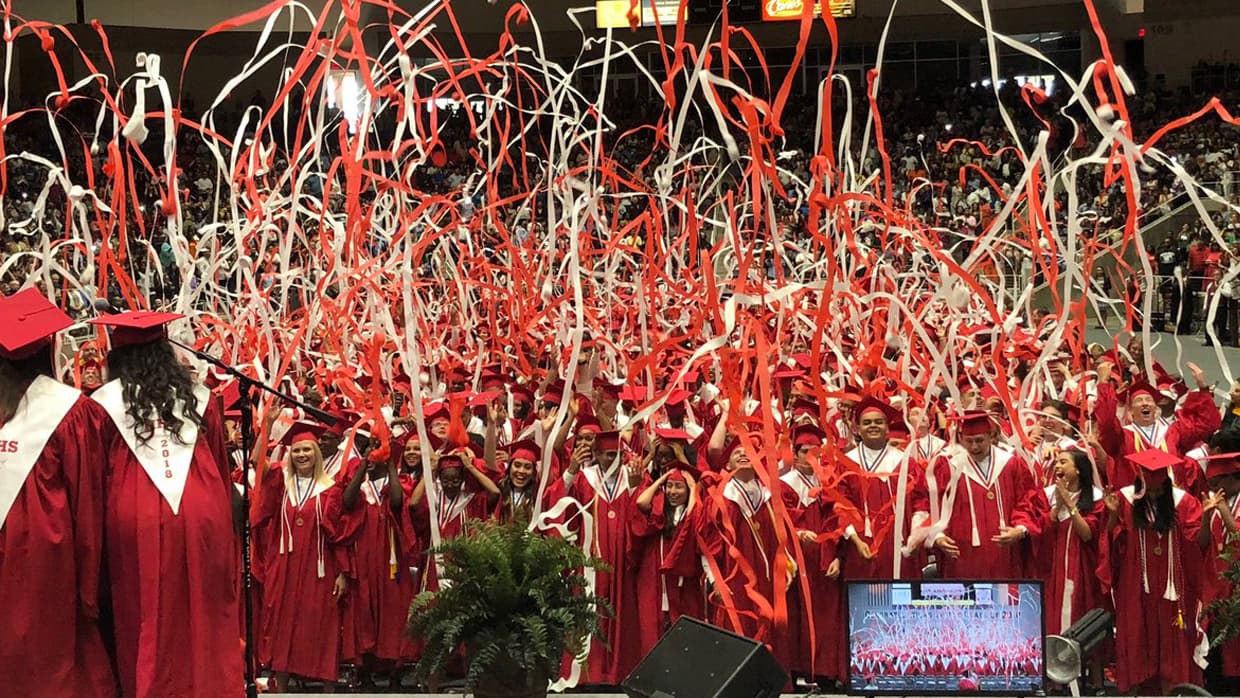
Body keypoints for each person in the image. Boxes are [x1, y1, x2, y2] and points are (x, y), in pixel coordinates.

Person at [89, 310, 244, 697]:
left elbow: (93, 475)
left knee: (146, 612)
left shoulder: (100, 405)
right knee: (204, 613)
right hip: (204, 507)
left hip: (135, 510)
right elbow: (224, 472)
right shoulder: (201, 397)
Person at [0, 290, 115, 698]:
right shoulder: (73, 412)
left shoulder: (69, 412)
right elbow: (87, 504)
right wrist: (90, 585)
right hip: (48, 563)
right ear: (49, 348)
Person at [254, 421, 352, 692]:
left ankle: (328, 689)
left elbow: (339, 534)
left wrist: (343, 573)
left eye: (307, 450)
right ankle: (280, 688)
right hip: (284, 567)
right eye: (297, 451)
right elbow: (257, 463)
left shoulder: (330, 489)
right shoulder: (281, 484)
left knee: (320, 624)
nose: (302, 455)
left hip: (319, 569)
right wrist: (268, 425)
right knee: (284, 624)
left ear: (317, 453)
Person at [543, 429, 643, 685]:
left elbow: (641, 516)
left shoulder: (630, 477)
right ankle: (586, 673)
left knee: (620, 614)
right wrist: (571, 471)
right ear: (596, 455)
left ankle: (618, 672)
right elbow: (559, 507)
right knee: (588, 611)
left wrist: (633, 488)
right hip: (590, 560)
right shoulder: (584, 479)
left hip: (622, 560)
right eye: (608, 454)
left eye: (617, 454)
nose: (613, 459)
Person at [1105, 449, 1208, 694]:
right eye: (1149, 489)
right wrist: (1111, 515)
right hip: (1137, 586)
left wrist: (1208, 516)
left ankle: (1177, 690)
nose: (1153, 494)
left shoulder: (1184, 502)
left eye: (1158, 490)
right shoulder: (1125, 500)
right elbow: (1111, 542)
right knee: (1139, 639)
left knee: (1174, 641)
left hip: (1173, 590)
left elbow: (1198, 543)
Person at [910, 410, 1037, 579]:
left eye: (979, 440)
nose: (974, 447)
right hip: (961, 553)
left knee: (1004, 599)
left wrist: (1020, 529)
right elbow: (928, 504)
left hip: (1005, 554)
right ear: (960, 438)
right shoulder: (947, 466)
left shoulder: (1011, 464)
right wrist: (937, 536)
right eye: (968, 441)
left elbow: (1028, 500)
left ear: (991, 437)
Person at [340, 431, 418, 685]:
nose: (373, 454)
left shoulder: (398, 482)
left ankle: (395, 669)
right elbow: (347, 502)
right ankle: (364, 669)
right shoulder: (359, 484)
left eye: (378, 451)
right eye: (369, 449)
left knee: (393, 611)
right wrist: (363, 465)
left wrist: (392, 464)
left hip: (390, 558)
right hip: (362, 556)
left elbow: (397, 501)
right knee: (363, 610)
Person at [1010, 447, 1105, 636]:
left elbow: (1087, 534)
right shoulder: (1046, 495)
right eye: (1057, 462)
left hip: (1079, 568)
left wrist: (1069, 505)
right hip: (1050, 567)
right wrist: (1057, 506)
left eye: (1063, 462)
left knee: (1075, 611)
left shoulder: (1094, 497)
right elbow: (1041, 531)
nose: (1057, 466)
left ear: (1078, 469)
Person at [779, 423, 846, 684]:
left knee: (827, 618)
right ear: (794, 455)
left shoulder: (830, 483)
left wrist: (839, 557)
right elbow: (779, 522)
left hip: (826, 561)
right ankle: (800, 670)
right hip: (797, 564)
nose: (811, 458)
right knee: (798, 617)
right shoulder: (785, 486)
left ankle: (826, 671)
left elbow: (840, 522)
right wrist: (796, 533)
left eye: (816, 453)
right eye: (805, 452)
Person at [1094, 361, 1219, 493]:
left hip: (1170, 499)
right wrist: (1103, 383)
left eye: (1149, 400)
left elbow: (1208, 425)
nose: (1145, 404)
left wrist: (1202, 387)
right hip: (1136, 501)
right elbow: (1106, 422)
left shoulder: (1174, 431)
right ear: (1130, 410)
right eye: (1139, 401)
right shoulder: (1123, 436)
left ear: (1155, 408)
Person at [628, 462, 705, 658]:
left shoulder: (692, 514)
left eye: (679, 486)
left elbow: (694, 514)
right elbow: (640, 502)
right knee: (652, 626)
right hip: (654, 576)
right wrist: (662, 479)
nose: (673, 491)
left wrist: (694, 487)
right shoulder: (660, 510)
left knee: (684, 625)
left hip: (682, 581)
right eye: (669, 486)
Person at [839, 396, 920, 579]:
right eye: (867, 422)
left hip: (900, 544)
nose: (873, 426)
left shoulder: (905, 462)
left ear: (887, 428)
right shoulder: (846, 463)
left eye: (879, 422)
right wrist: (856, 540)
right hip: (860, 545)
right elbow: (839, 507)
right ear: (857, 428)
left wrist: (916, 535)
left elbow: (920, 503)